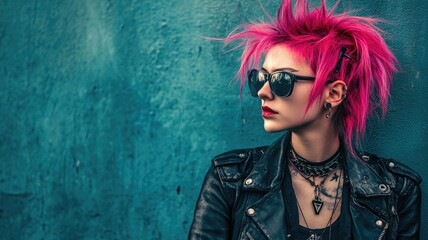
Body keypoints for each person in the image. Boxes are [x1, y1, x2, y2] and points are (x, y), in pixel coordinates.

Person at [189, 0, 422, 239]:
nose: (262, 92)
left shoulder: (396, 189)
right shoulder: (229, 180)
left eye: (281, 80)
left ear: (332, 94)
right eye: (261, 78)